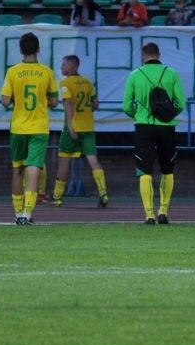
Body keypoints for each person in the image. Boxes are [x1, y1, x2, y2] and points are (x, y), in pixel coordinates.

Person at [122, 43, 185, 224]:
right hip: (167, 127)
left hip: (144, 127)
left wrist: (140, 115)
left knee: (144, 171)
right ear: (159, 55)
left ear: (143, 56)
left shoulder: (135, 75)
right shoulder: (171, 73)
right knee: (167, 170)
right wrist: (167, 115)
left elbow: (126, 106)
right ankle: (163, 211)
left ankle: (149, 214)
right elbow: (180, 104)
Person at [0, 32, 58, 225]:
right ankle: (27, 213)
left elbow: (5, 101)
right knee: (33, 169)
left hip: (18, 127)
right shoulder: (47, 72)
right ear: (38, 49)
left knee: (17, 169)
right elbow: (55, 101)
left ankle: (17, 213)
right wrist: (44, 99)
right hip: (39, 127)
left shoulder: (12, 72)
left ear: (20, 50)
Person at [52, 55, 108, 208]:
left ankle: (57, 196)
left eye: (63, 65)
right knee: (93, 159)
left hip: (73, 127)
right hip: (88, 127)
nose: (61, 67)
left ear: (71, 67)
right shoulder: (88, 82)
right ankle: (103, 192)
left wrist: (70, 126)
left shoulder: (65, 83)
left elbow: (68, 103)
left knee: (64, 160)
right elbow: (95, 104)